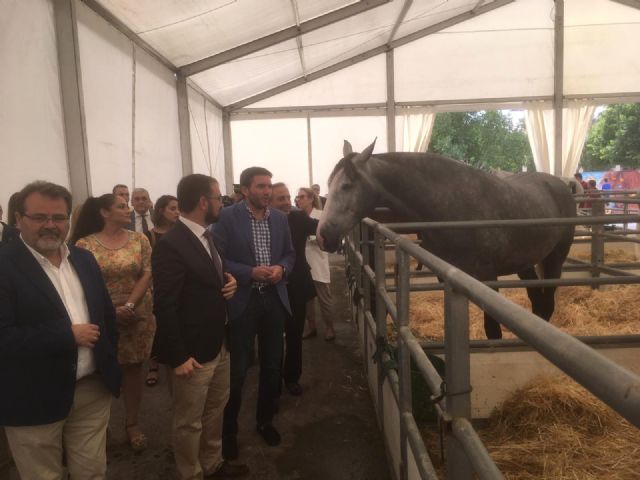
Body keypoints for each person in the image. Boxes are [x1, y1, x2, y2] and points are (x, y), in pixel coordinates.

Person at [0, 181, 121, 479]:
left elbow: (105, 316)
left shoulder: (83, 258)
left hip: (91, 390)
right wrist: (66, 335)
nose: (50, 226)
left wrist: (107, 360)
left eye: (58, 217)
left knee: (92, 471)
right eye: (39, 217)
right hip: (32, 397)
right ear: (18, 219)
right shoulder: (4, 265)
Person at [153, 174, 247, 479]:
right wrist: (178, 356)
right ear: (204, 202)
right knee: (189, 421)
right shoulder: (172, 244)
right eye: (219, 198)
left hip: (219, 342)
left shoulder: (207, 236)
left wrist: (228, 282)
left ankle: (212, 463)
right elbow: (164, 305)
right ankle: (190, 472)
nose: (223, 203)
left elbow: (207, 279)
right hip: (193, 352)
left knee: (215, 411)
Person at [212, 167, 295, 458]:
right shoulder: (225, 217)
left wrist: (281, 268)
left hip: (273, 299)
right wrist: (250, 272)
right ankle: (229, 432)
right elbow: (217, 259)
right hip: (242, 302)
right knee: (237, 371)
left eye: (269, 186)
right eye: (261, 186)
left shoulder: (281, 220)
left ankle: (264, 421)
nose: (267, 191)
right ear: (245, 190)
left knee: (273, 365)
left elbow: (290, 254)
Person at [71, 193, 155, 452]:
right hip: (102, 319)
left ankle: (132, 424)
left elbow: (147, 273)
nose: (127, 209)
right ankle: (100, 427)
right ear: (104, 212)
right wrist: (112, 311)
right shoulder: (85, 245)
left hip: (135, 316)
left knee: (132, 371)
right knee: (102, 372)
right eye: (120, 206)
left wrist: (129, 305)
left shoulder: (139, 239)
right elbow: (82, 284)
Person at [270, 183, 318, 396]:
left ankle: (291, 378)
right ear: (269, 201)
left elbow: (321, 226)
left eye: (288, 197)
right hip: (270, 287)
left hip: (297, 285)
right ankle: (271, 380)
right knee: (271, 336)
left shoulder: (298, 218)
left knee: (294, 334)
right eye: (281, 198)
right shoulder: (264, 222)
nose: (287, 202)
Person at [145, 194, 180, 387]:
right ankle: (153, 365)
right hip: (157, 286)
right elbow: (148, 265)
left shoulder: (182, 234)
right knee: (158, 326)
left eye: (178, 208)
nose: (177, 212)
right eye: (172, 208)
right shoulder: (150, 235)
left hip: (178, 286)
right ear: (161, 210)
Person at [297, 187, 335, 341]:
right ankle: (311, 327)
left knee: (324, 298)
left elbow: (327, 239)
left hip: (318, 263)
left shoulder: (321, 216)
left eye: (302, 197)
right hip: (303, 264)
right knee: (307, 300)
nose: (299, 200)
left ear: (311, 198)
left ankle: (330, 327)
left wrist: (309, 236)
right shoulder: (297, 217)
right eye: (298, 197)